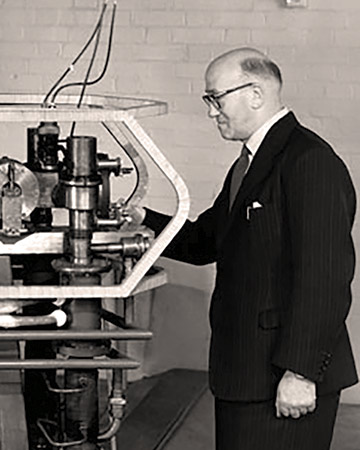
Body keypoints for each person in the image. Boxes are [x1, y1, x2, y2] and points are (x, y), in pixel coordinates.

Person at [136, 47, 357, 449]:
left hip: (282, 378)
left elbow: (325, 275)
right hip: (245, 374)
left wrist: (301, 372)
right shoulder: (249, 164)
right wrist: (138, 217)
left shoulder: (309, 161)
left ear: (254, 94)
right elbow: (204, 241)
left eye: (215, 98)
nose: (210, 111)